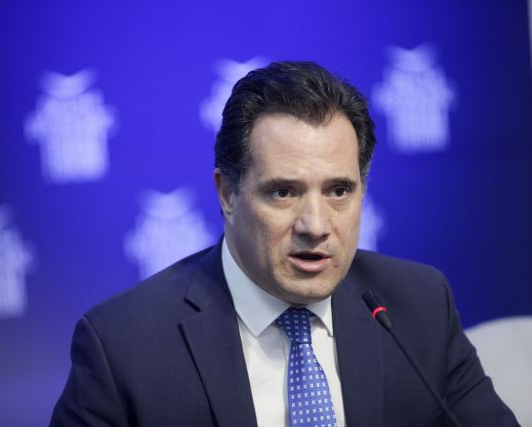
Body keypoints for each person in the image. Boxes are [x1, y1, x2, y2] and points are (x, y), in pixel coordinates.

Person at [50, 61, 518, 426]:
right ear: (227, 194)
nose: (315, 225)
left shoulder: (418, 307)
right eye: (283, 192)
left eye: (339, 191)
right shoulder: (124, 348)